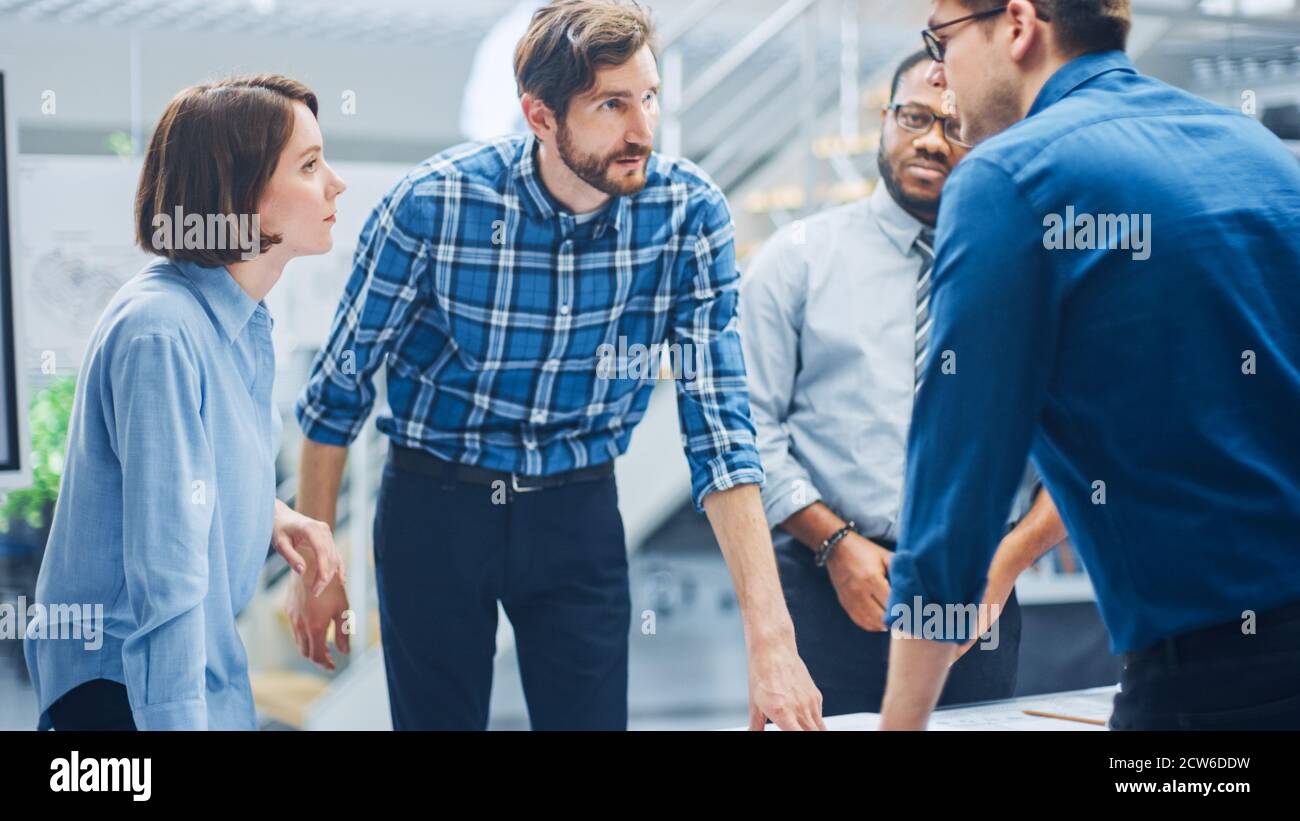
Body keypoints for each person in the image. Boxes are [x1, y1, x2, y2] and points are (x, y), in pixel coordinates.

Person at [290, 0, 823, 731]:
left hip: (576, 510)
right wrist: (316, 569)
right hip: (436, 506)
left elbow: (721, 432)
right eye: (612, 105)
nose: (643, 130)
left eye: (650, 98)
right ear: (540, 116)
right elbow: (337, 392)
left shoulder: (687, 215)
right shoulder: (435, 204)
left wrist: (772, 643)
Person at [880, 0, 1300, 730]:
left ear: (1018, 25)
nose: (939, 72)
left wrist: (901, 722)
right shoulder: (1259, 151)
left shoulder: (1008, 178)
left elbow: (955, 496)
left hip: (1211, 690)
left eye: (942, 39)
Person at [741, 50, 1065, 718]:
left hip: (977, 594)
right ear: (885, 120)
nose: (931, 141)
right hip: (824, 585)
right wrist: (835, 544)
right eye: (914, 117)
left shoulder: (1033, 271)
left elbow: (1081, 450)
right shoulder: (796, 260)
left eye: (954, 125)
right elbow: (747, 431)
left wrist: (1005, 563)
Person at [24, 74, 348, 730]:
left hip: (194, 673)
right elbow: (165, 576)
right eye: (310, 165)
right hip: (129, 690)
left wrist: (268, 512)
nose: (335, 184)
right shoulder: (161, 332)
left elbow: (182, 484)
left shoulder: (237, 323)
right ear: (240, 192)